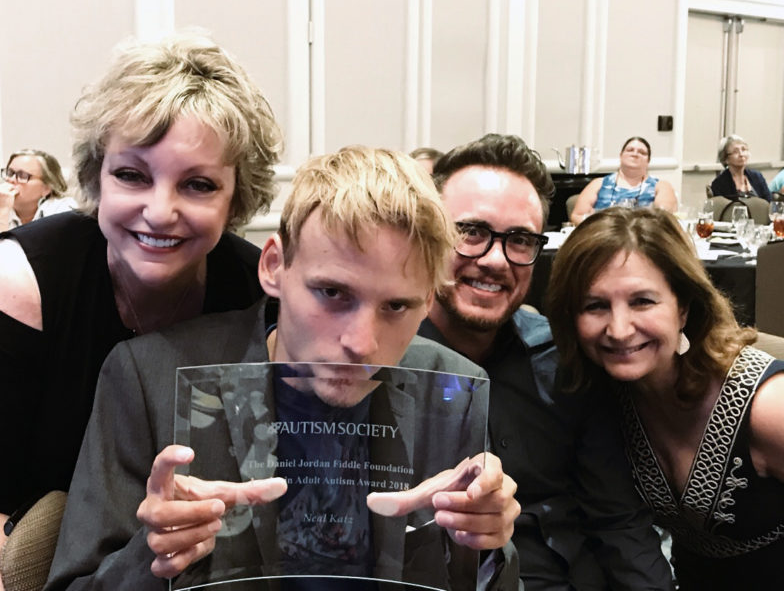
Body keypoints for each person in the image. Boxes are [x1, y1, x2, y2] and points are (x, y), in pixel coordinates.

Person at [45, 146, 521, 590]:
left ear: (427, 302)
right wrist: (152, 556)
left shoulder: (453, 390)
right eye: (332, 293)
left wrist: (488, 545)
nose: (361, 343)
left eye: (397, 306)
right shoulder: (149, 376)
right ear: (274, 266)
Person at [0, 32, 282, 588]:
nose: (159, 211)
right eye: (132, 175)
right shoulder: (21, 283)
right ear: (97, 175)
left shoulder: (254, 295)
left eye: (197, 184)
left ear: (236, 199)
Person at [419, 134, 673, 590]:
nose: (495, 260)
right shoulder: (373, 364)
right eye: (470, 232)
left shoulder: (566, 363)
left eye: (519, 240)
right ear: (429, 233)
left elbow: (617, 522)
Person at [545, 206, 784, 590]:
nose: (619, 329)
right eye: (596, 305)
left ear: (684, 308)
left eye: (642, 301)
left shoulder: (768, 406)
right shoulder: (608, 394)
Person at [571, 136, 677, 225]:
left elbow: (664, 218)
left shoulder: (661, 186)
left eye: (642, 152)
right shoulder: (599, 184)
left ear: (648, 160)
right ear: (621, 156)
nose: (635, 154)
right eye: (630, 150)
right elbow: (577, 215)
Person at [0, 149, 77, 236]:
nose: (11, 180)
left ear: (47, 188)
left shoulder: (64, 210)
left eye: (23, 175)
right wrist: (2, 213)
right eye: (10, 173)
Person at [709, 134, 772, 201]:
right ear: (726, 159)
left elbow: (769, 203)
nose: (741, 154)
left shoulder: (757, 177)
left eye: (743, 149)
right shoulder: (719, 184)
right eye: (735, 152)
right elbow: (720, 209)